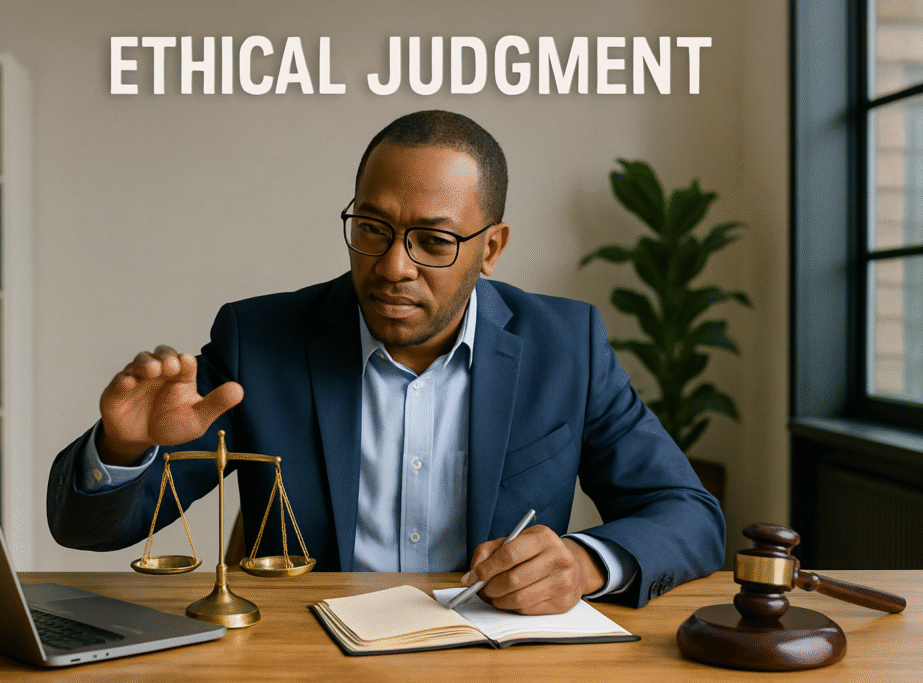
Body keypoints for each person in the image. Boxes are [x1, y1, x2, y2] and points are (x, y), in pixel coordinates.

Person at [47, 110, 724, 615]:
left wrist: (583, 562)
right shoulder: (261, 341)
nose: (394, 265)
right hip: (311, 655)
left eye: (433, 240)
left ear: (491, 248)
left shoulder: (564, 345)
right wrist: (123, 449)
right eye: (372, 229)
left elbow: (689, 514)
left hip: (492, 657)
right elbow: (86, 530)